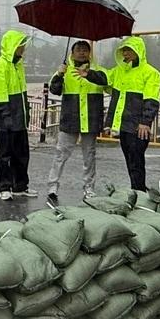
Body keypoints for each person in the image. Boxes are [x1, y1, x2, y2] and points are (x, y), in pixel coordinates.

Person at [45, 40, 109, 207]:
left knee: (89, 156)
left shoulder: (99, 71)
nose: (81, 53)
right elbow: (54, 90)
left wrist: (90, 74)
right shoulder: (64, 70)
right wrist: (59, 75)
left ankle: (89, 188)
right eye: (78, 50)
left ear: (89, 53)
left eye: (85, 50)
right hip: (70, 119)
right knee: (61, 154)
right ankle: (52, 186)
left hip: (91, 120)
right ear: (72, 53)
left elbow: (108, 83)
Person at [106, 35, 160, 192]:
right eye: (123, 50)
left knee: (136, 161)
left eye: (129, 50)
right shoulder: (120, 71)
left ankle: (139, 191)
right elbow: (104, 77)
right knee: (130, 160)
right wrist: (88, 73)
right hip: (124, 125)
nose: (125, 54)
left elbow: (151, 99)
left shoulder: (150, 73)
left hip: (138, 126)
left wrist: (145, 122)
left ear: (138, 51)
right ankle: (137, 189)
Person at [0, 30, 31, 201]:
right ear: (13, 46)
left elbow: (23, 92)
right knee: (5, 155)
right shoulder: (0, 66)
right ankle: (4, 187)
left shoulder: (18, 65)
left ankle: (20, 186)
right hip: (5, 121)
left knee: (21, 154)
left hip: (19, 119)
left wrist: (26, 113)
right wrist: (7, 117)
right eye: (21, 45)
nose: (23, 49)